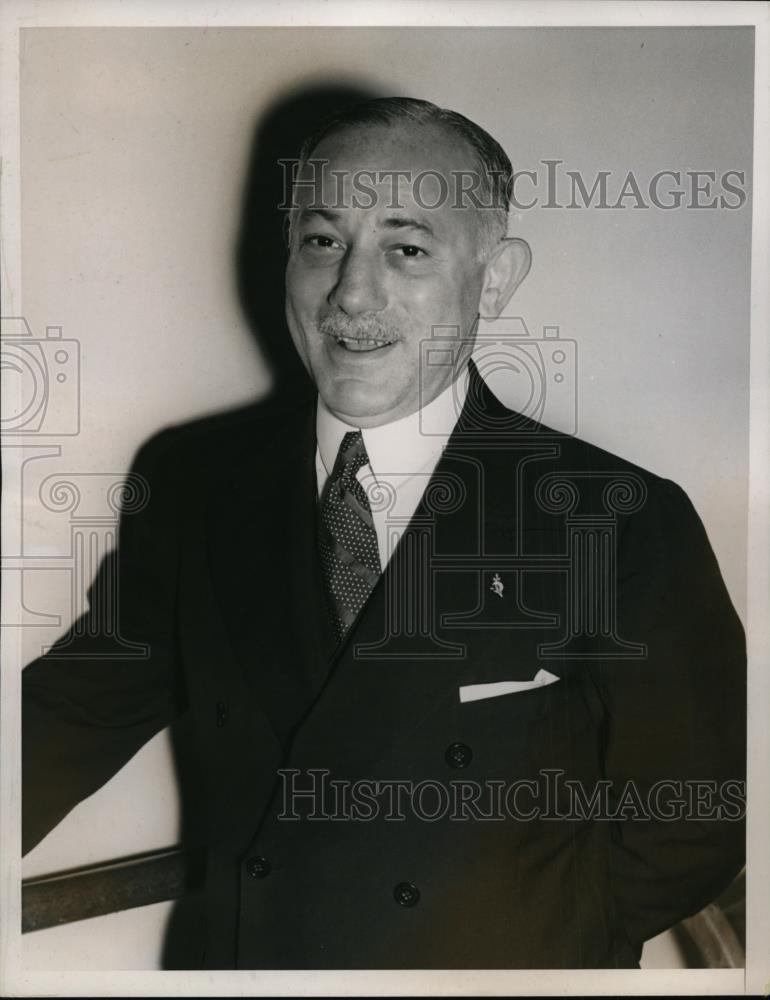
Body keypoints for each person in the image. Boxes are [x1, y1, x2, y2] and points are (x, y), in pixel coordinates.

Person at [22, 97, 746, 970]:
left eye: (407, 249)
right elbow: (67, 716)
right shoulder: (198, 486)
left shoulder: (617, 517)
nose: (351, 294)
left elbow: (699, 817)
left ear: (497, 275)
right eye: (323, 242)